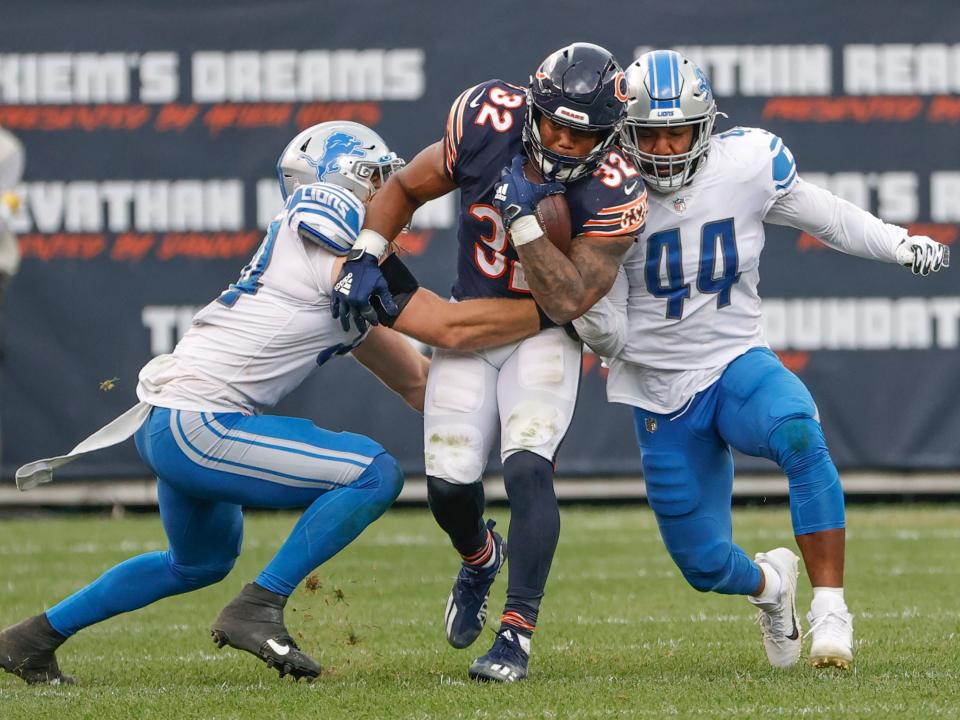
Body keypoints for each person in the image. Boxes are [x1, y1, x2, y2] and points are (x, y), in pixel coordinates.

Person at [0, 121, 551, 686]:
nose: (399, 194)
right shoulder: (323, 217)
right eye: (382, 179)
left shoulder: (345, 276)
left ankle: (32, 640)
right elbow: (445, 324)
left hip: (178, 420)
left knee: (198, 561)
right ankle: (259, 605)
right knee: (372, 473)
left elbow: (418, 382)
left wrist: (507, 406)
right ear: (348, 181)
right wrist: (557, 310)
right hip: (198, 420)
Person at [553, 50, 948, 671]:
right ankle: (773, 588)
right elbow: (604, 328)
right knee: (705, 564)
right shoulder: (601, 189)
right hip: (657, 388)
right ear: (624, 130)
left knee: (798, 430)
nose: (661, 148)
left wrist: (899, 243)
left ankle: (832, 610)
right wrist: (588, 312)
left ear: (704, 126)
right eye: (648, 133)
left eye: (675, 130)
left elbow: (828, 216)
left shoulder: (747, 163)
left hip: (735, 361)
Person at [331, 43, 646, 682]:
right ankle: (480, 556)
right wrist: (368, 249)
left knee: (529, 466)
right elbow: (405, 186)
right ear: (531, 106)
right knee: (447, 484)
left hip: (545, 333)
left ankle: (515, 637)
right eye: (553, 122)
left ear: (607, 136)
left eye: (579, 133)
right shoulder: (487, 120)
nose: (560, 141)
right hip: (471, 319)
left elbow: (570, 299)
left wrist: (524, 221)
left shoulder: (615, 185)